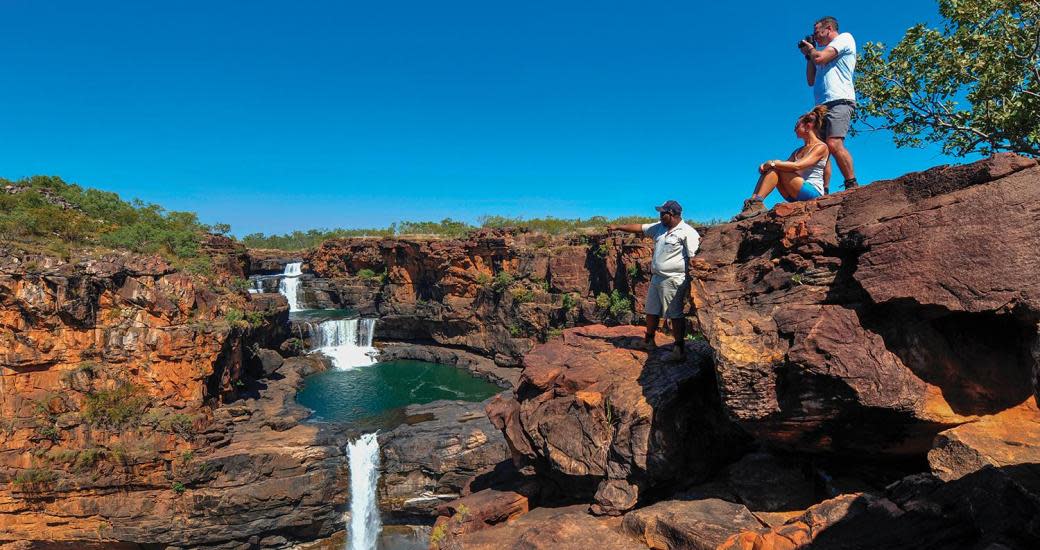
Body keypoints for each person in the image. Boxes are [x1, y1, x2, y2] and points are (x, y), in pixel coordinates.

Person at [607, 200, 699, 362]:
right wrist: (617, 227)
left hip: (674, 280)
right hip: (657, 277)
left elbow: (694, 257)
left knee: (675, 314)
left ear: (672, 214)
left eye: (663, 213)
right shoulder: (660, 228)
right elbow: (640, 227)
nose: (660, 215)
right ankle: (649, 341)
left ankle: (679, 350)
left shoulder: (687, 232)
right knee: (652, 310)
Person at [735, 106, 831, 219]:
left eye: (797, 126)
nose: (794, 129)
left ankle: (757, 203)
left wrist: (772, 163)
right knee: (773, 169)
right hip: (794, 194)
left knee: (776, 167)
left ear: (808, 127)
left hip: (812, 193)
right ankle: (754, 201)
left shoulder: (821, 147)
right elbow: (784, 165)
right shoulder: (797, 151)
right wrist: (767, 166)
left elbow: (798, 165)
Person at [799, 15, 858, 192]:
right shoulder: (817, 54)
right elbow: (810, 80)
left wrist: (812, 51)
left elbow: (820, 58)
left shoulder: (844, 38)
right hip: (821, 106)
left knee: (833, 143)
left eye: (817, 32)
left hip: (840, 100)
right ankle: (823, 189)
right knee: (820, 148)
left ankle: (851, 183)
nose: (815, 36)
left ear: (829, 28)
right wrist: (809, 55)